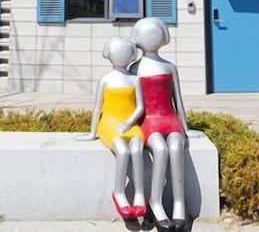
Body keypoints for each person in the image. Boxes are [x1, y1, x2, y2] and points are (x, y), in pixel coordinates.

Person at [131, 17, 200, 232]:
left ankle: (180, 204)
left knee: (176, 146)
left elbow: (178, 101)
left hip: (169, 118)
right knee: (160, 149)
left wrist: (185, 128)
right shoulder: (135, 68)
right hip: (148, 120)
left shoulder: (170, 67)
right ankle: (155, 202)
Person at [81, 36, 147, 218]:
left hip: (130, 123)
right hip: (109, 124)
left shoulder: (135, 80)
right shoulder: (106, 80)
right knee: (123, 151)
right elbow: (98, 108)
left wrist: (129, 122)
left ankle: (140, 194)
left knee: (137, 149)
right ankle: (119, 192)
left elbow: (140, 107)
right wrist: (92, 132)